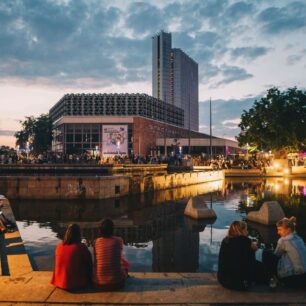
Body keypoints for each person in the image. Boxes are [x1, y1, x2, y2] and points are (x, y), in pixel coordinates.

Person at [218, 220, 264, 290]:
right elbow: (251, 262)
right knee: (260, 265)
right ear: (241, 230)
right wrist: (253, 249)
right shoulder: (246, 241)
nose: (247, 232)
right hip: (241, 284)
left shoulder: (225, 240)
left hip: (224, 281)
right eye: (246, 229)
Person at [263, 217, 306, 288]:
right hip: (304, 277)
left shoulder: (283, 240)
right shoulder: (299, 238)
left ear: (288, 230)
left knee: (266, 253)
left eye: (280, 230)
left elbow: (276, 255)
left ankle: (272, 279)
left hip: (293, 279)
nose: (278, 232)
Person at [51, 224, 92, 291]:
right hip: (76, 284)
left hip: (58, 282)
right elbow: (89, 262)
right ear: (78, 234)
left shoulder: (59, 246)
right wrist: (85, 247)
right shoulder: (81, 247)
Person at [93, 219, 129, 291]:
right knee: (125, 266)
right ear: (113, 230)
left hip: (98, 284)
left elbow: (95, 262)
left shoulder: (96, 242)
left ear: (100, 230)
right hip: (118, 284)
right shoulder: (119, 240)